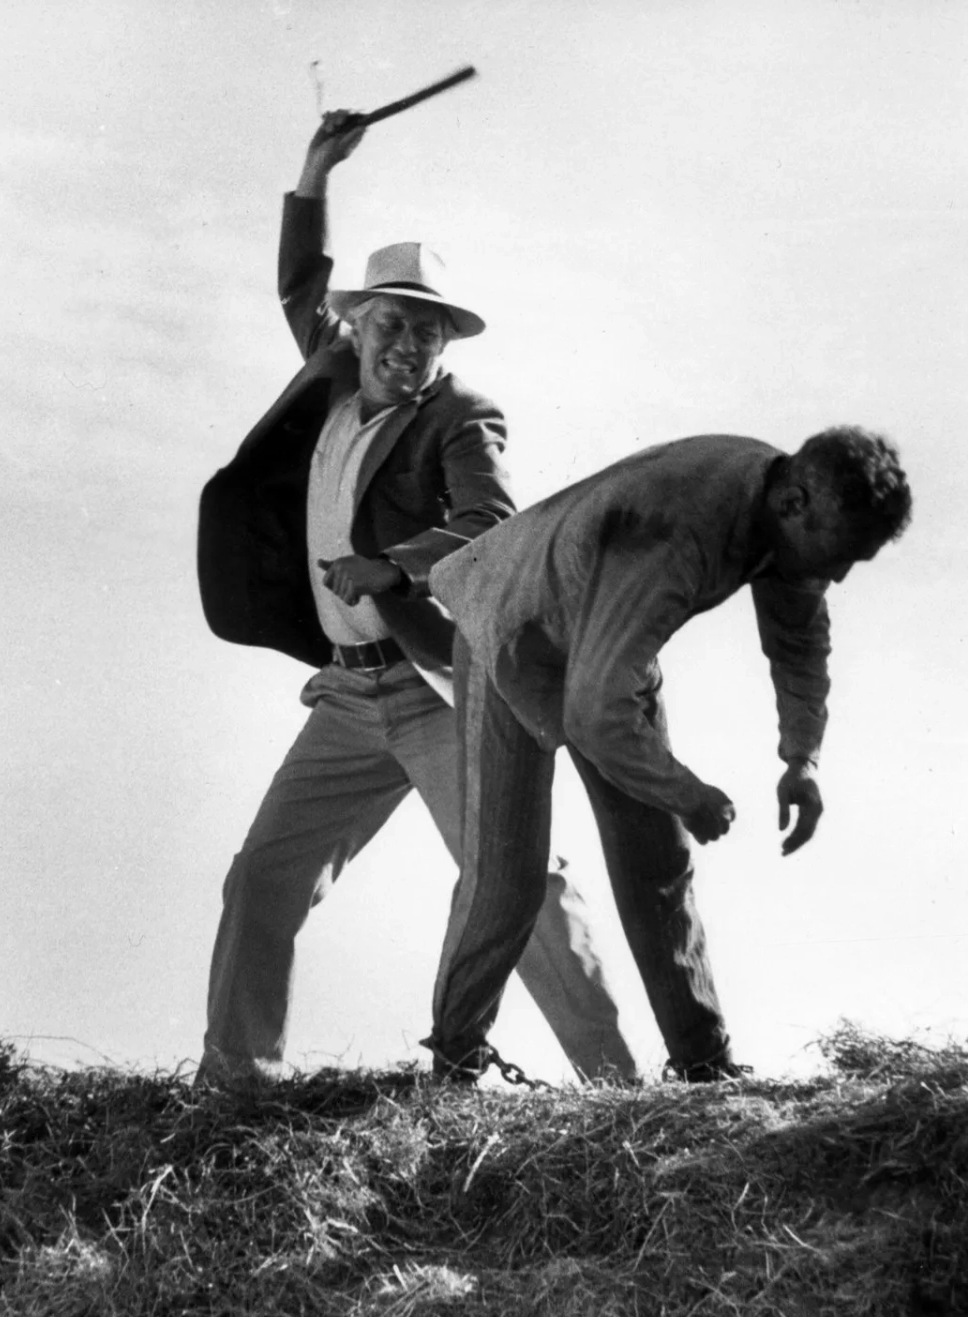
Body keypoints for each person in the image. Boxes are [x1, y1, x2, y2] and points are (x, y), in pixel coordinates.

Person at [193, 110, 638, 1083]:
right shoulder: (333, 372)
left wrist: (393, 566)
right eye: (392, 325)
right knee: (263, 876)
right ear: (360, 328)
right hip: (349, 698)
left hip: (436, 690)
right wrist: (313, 172)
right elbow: (300, 283)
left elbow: (494, 522)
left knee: (511, 880)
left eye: (428, 331)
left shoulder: (462, 416)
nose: (407, 346)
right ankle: (233, 1089)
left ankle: (618, 1093)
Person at [420, 427, 913, 1082]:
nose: (840, 574)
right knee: (509, 879)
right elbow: (594, 714)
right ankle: (452, 1067)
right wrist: (687, 793)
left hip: (613, 649)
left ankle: (704, 1064)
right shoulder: (680, 527)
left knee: (659, 863)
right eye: (838, 552)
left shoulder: (784, 505)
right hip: (510, 633)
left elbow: (798, 638)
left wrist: (803, 759)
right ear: (794, 502)